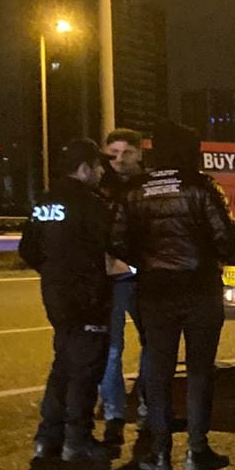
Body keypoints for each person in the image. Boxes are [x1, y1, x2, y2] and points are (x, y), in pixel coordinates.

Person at [113, 121, 235, 470]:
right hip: (200, 290)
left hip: (154, 291)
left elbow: (117, 240)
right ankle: (196, 451)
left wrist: (147, 262)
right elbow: (227, 237)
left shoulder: (135, 190)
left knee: (158, 370)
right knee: (200, 371)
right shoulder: (201, 186)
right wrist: (208, 258)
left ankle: (158, 451)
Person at [19, 138, 113, 463]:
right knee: (85, 370)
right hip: (88, 298)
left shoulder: (45, 201)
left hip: (56, 295)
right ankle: (78, 440)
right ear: (84, 168)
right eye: (98, 166)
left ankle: (48, 438)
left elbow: (27, 250)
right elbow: (114, 245)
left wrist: (54, 271)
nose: (102, 172)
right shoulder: (90, 203)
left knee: (62, 365)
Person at [99, 127, 147, 445]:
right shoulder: (100, 188)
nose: (118, 159)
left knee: (154, 345)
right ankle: (114, 414)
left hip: (146, 277)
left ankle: (146, 407)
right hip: (113, 278)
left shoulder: (150, 186)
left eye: (125, 153)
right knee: (112, 350)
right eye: (113, 153)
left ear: (139, 153)